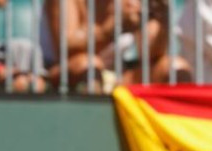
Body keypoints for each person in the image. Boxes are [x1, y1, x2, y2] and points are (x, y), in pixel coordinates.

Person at [43, 0, 191, 93]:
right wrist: (110, 29)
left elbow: (153, 53)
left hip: (120, 75)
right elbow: (66, 48)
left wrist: (161, 17)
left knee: (174, 67)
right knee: (89, 66)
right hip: (68, 75)